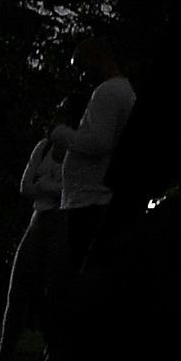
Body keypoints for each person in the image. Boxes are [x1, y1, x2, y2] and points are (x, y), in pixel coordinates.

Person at [0, 98, 73, 361]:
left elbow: (68, 188)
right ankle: (5, 352)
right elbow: (26, 185)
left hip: (61, 219)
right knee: (19, 285)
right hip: (39, 218)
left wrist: (43, 185)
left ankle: (52, 353)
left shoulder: (77, 151)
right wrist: (50, 187)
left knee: (55, 289)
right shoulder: (44, 146)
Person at [53, 30, 138, 289]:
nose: (81, 76)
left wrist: (61, 133)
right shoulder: (122, 90)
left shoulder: (107, 93)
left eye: (81, 67)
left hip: (90, 201)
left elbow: (99, 143)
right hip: (92, 198)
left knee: (85, 272)